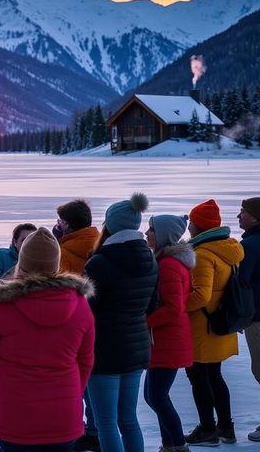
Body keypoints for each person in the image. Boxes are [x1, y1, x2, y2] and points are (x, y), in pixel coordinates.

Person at [0, 227, 95, 452]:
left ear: (23, 262)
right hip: (63, 416)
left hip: (15, 417)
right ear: (55, 264)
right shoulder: (79, 304)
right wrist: (69, 394)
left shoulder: (2, 304)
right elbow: (86, 360)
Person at [83, 193, 158, 452]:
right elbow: (152, 305)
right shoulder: (151, 259)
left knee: (105, 422)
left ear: (110, 225)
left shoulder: (99, 263)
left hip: (104, 353)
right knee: (128, 419)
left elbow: (86, 312)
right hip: (137, 349)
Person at [184, 199, 244, 446]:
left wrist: (175, 306)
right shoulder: (229, 248)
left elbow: (201, 295)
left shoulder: (202, 254)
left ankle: (208, 429)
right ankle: (226, 428)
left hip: (203, 327)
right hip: (221, 323)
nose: (189, 228)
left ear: (198, 226)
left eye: (191, 223)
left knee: (199, 377)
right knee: (215, 376)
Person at [144, 214, 195, 452]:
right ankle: (169, 445)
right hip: (166, 339)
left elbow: (173, 309)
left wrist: (144, 322)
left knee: (157, 397)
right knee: (154, 397)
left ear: (163, 234)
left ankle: (178, 445)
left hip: (168, 340)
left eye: (151, 229)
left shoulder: (169, 265)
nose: (146, 233)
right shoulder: (169, 261)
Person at [53, 200, 100, 452]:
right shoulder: (97, 242)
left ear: (67, 224)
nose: (57, 224)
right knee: (91, 378)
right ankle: (94, 428)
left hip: (72, 324)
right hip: (96, 321)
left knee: (78, 382)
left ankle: (87, 430)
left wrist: (56, 244)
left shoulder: (65, 252)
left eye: (60, 221)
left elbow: (57, 286)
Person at [239, 197, 260, 442]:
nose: (239, 216)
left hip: (258, 316)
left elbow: (241, 281)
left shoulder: (251, 246)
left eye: (243, 212)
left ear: (255, 216)